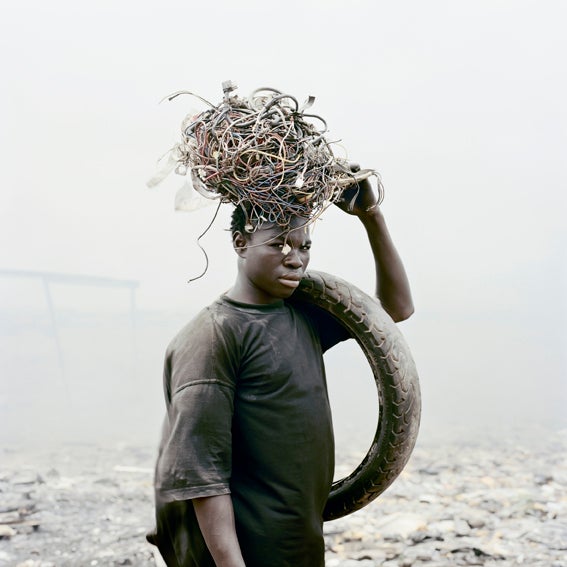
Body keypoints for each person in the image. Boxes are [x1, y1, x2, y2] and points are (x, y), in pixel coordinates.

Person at [147, 172, 413, 566]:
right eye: (278, 244)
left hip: (295, 539)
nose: (296, 257)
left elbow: (394, 310)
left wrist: (371, 216)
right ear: (240, 243)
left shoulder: (303, 318)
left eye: (305, 245)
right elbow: (202, 475)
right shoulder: (214, 336)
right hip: (241, 551)